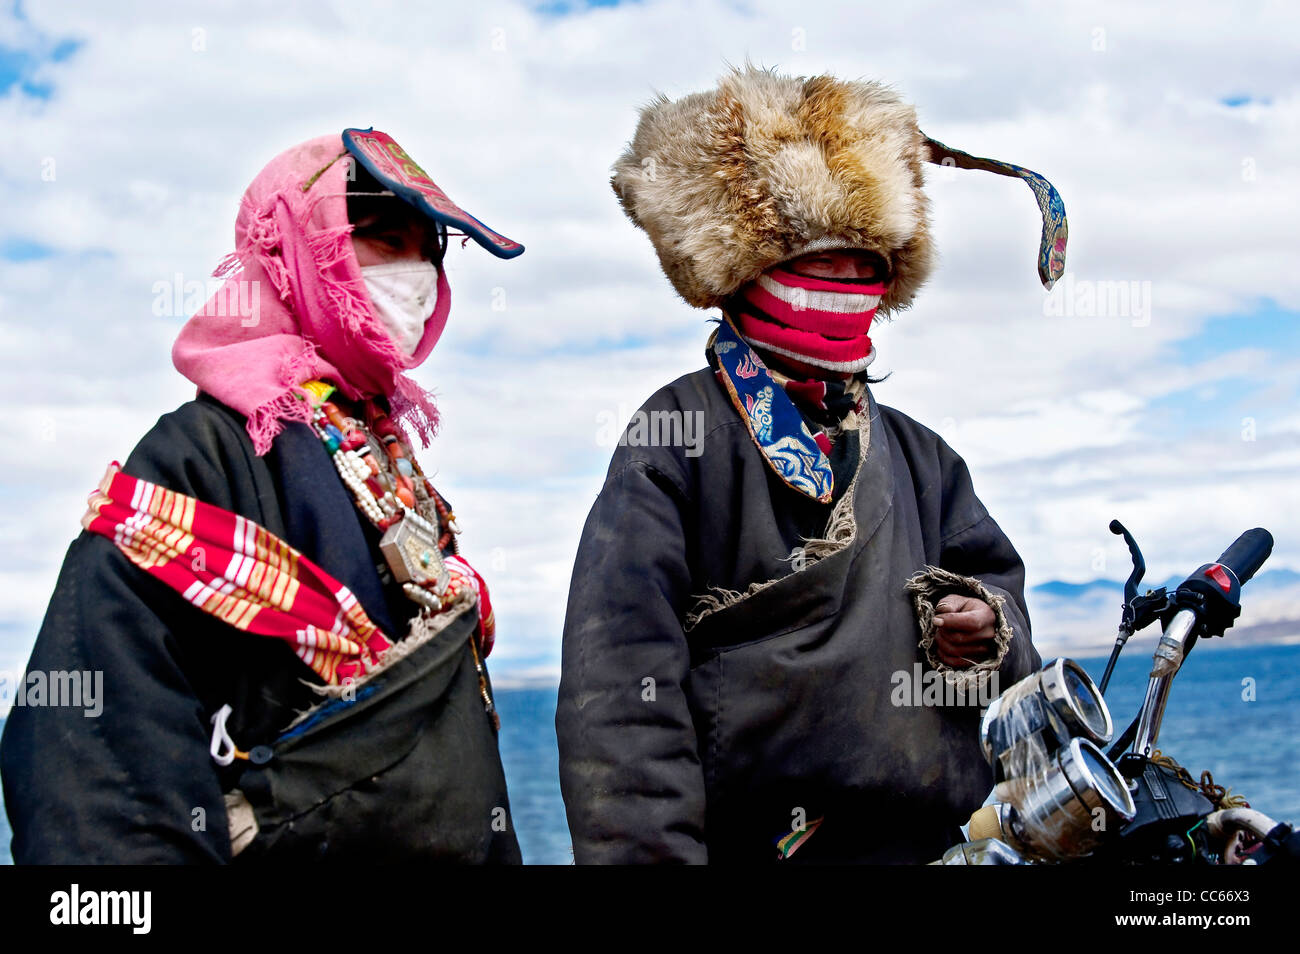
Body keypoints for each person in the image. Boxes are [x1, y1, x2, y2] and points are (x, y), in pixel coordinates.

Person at [556, 67, 1069, 863]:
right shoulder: (675, 436)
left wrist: (988, 623)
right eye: (811, 258)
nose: (841, 281)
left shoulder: (922, 457)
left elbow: (1008, 614)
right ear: (741, 274)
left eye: (862, 260)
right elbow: (619, 697)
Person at [1, 128, 525, 863]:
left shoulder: (389, 464)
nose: (418, 273)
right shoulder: (200, 457)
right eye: (381, 238)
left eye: (427, 248)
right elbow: (98, 781)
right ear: (298, 256)